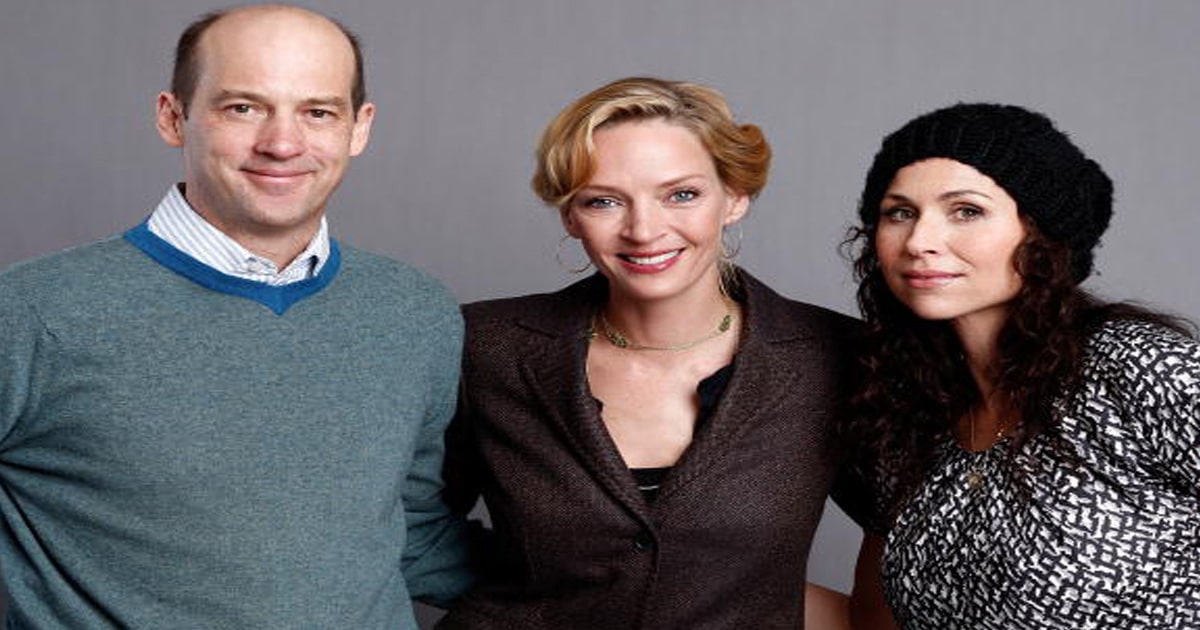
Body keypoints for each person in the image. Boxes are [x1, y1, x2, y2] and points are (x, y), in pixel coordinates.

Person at [0, 5, 472, 628]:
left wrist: (613, 581)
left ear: (359, 128)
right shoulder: (31, 313)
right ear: (174, 117)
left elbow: (409, 529)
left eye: (318, 112)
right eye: (243, 107)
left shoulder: (416, 313)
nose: (282, 144)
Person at [438, 76, 859, 629]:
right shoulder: (486, 345)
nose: (644, 230)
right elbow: (399, 522)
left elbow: (902, 537)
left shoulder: (833, 357)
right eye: (603, 201)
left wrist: (764, 605)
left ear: (734, 197)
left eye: (681, 194)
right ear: (570, 215)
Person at [839, 103, 1200, 629]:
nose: (919, 242)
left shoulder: (1139, 366)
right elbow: (871, 620)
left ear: (1041, 235)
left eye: (966, 211)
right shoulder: (910, 415)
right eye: (900, 212)